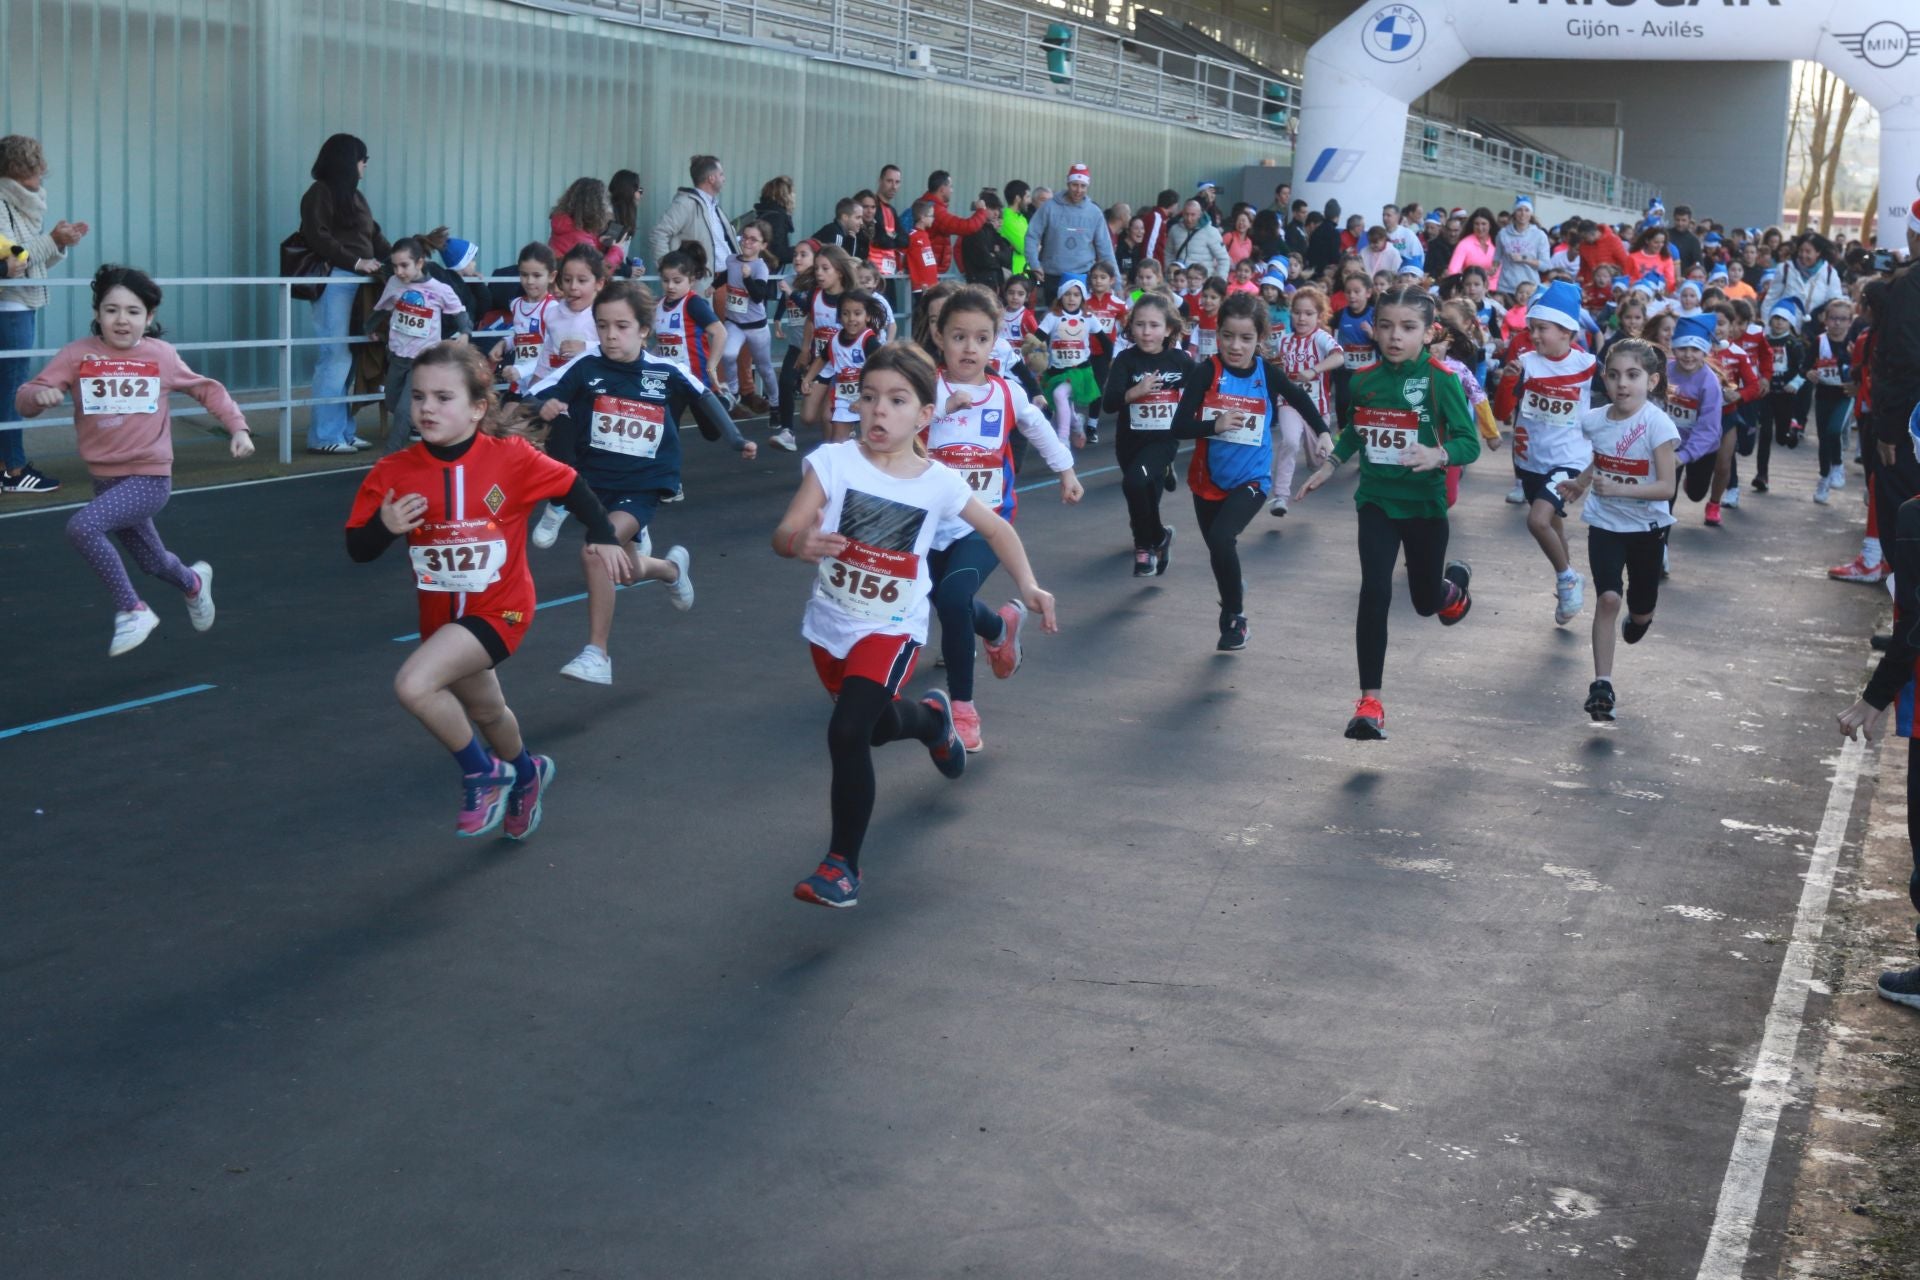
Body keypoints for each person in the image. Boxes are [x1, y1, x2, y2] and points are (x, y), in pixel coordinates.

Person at [770, 342, 1058, 908]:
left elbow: (997, 530)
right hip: (832, 623)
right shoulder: (834, 462)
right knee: (873, 728)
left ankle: (841, 867)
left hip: (892, 627)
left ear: (925, 415)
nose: (879, 411)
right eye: (869, 397)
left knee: (848, 732)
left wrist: (1028, 586)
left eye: (897, 400)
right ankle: (931, 721)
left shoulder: (938, 481)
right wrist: (798, 542)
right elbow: (785, 534)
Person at [349, 343, 630, 836]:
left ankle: (483, 773)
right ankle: (527, 773)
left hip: (502, 611)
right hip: (441, 621)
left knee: (413, 686)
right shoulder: (394, 472)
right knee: (487, 711)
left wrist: (603, 536)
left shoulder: (511, 459)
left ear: (479, 407)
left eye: (442, 397)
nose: (427, 408)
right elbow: (358, 549)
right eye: (418, 397)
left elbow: (572, 486)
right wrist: (385, 526)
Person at [17, 264, 252, 655]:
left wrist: (238, 428)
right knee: (153, 561)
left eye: (132, 311)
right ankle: (193, 583)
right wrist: (37, 398)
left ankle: (132, 609)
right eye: (111, 310)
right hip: (106, 480)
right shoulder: (77, 355)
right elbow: (28, 393)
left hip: (149, 477)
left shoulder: (161, 355)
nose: (121, 320)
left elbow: (207, 390)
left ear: (149, 317)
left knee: (82, 528)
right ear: (97, 313)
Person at [535, 282, 754, 686]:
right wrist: (545, 406)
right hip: (595, 483)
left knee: (596, 553)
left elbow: (706, 398)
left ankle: (597, 653)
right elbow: (535, 398)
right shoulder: (584, 368)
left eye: (621, 326)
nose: (610, 335)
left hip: (643, 483)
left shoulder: (664, 371)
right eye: (602, 326)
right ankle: (670, 569)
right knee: (624, 570)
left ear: (643, 330)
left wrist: (737, 439)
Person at [1296, 286, 1478, 739]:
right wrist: (1332, 464)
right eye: (1386, 326)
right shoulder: (1364, 381)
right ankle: (1369, 703)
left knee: (1422, 602)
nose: (1395, 336)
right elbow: (1357, 430)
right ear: (1373, 329)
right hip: (1376, 500)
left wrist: (1439, 455)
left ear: (1429, 332)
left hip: (1423, 505)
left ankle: (1449, 590)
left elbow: (1468, 442)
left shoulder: (1441, 380)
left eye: (1408, 328)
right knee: (1374, 591)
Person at [924, 287, 1081, 751]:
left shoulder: (1007, 393)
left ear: (996, 344)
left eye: (981, 338)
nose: (969, 348)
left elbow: (1039, 428)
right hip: (929, 524)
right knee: (945, 600)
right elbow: (890, 433)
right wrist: (933, 416)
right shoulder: (924, 388)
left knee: (953, 597)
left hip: (985, 521)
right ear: (938, 336)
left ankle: (963, 709)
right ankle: (997, 627)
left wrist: (1066, 471)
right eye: (958, 336)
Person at [1170, 292, 1329, 651]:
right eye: (1227, 336)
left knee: (1224, 539)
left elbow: (1300, 399)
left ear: (1260, 338)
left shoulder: (1266, 373)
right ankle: (1231, 588)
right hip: (1207, 479)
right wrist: (1215, 425)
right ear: (1218, 334)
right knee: (1218, 551)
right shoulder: (1206, 372)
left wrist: (1323, 433)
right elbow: (1178, 426)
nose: (1235, 346)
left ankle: (1235, 618)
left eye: (1245, 338)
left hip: (1252, 479)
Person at [1552, 339, 1679, 721]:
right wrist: (1582, 482)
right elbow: (1603, 457)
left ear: (1652, 381)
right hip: (1605, 524)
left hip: (1647, 529)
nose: (1622, 383)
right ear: (1604, 380)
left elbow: (1667, 488)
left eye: (1633, 375)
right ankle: (1601, 684)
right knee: (1608, 598)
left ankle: (1641, 618)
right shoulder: (1595, 419)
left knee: (1639, 608)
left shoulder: (1657, 424)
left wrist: (1622, 488)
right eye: (1613, 375)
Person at [0, 134, 89, 492]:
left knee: (8, 388)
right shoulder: (4, 202)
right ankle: (14, 471)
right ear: (20, 171)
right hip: (10, 307)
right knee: (11, 390)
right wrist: (50, 240)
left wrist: (58, 244)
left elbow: (30, 261)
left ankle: (10, 466)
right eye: (37, 173)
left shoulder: (20, 203)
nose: (40, 181)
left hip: (20, 303)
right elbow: (14, 260)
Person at [298, 133, 386, 455]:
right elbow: (316, 236)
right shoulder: (319, 193)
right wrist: (356, 261)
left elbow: (374, 236)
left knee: (348, 358)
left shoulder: (355, 197)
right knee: (335, 356)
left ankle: (343, 432)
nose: (364, 165)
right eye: (362, 158)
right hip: (336, 280)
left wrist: (405, 262)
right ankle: (325, 435)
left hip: (359, 282)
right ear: (349, 161)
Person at [1104, 294, 1192, 575]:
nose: (1145, 332)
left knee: (1134, 483)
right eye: (1140, 325)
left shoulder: (1180, 361)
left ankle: (1143, 548)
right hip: (1130, 441)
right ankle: (1160, 537)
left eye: (1154, 325)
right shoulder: (1125, 360)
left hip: (1163, 440)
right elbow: (1109, 403)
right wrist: (1135, 392)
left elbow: (1204, 388)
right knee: (1141, 495)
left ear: (1168, 329)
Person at [372, 238, 471, 453]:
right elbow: (382, 308)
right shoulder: (394, 284)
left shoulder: (439, 289)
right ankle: (426, 436)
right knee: (392, 402)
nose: (399, 271)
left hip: (423, 361)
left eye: (404, 265)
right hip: (398, 356)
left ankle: (390, 458)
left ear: (419, 263)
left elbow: (459, 311)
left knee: (403, 411)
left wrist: (465, 332)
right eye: (395, 266)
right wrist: (369, 328)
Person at [1272, 285, 1342, 516]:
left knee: (1318, 458)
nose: (1302, 318)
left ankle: (1317, 462)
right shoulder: (1284, 341)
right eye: (1297, 312)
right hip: (1289, 402)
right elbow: (1273, 363)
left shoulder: (1321, 338)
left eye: (1309, 313)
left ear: (1319, 316)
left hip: (1316, 406)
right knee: (1290, 442)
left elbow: (1339, 357)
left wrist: (1314, 370)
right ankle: (1280, 497)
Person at [1024, 164, 1117, 296]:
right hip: (1052, 275)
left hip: (1083, 276)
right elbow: (1032, 236)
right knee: (1054, 314)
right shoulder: (1049, 207)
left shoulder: (1094, 213)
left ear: (1087, 186)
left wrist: (1116, 283)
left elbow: (1106, 249)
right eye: (1074, 185)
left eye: (1083, 186)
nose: (1078, 190)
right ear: (1068, 183)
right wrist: (1034, 264)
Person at [720, 221, 782, 416]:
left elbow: (757, 296)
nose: (746, 242)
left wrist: (747, 279)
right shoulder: (731, 260)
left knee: (764, 368)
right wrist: (713, 286)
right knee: (728, 355)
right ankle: (733, 392)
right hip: (734, 322)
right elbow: (725, 275)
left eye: (753, 239)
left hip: (756, 327)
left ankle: (775, 404)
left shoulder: (760, 267)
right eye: (744, 237)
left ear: (763, 245)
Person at [649, 155, 738, 283]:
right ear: (711, 178)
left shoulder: (713, 206)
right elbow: (659, 234)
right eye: (721, 174)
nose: (724, 179)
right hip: (706, 281)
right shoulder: (686, 203)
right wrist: (669, 269)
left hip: (726, 279)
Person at [651, 247, 727, 390]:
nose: (670, 286)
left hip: (697, 378)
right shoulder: (659, 305)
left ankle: (725, 399)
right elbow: (663, 343)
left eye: (677, 281)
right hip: (671, 378)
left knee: (706, 412)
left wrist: (711, 366)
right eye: (665, 281)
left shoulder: (693, 303)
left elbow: (720, 333)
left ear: (691, 281)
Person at [915, 169, 988, 276]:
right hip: (927, 271)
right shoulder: (936, 210)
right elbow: (966, 227)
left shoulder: (926, 203)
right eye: (951, 186)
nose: (952, 190)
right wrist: (981, 211)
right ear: (942, 189)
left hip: (927, 267)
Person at [548, 177, 630, 273]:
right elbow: (598, 272)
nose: (607, 206)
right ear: (596, 206)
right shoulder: (578, 235)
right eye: (605, 201)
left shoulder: (564, 224)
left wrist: (598, 242)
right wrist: (617, 249)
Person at [1496, 196, 1552, 293]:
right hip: (1506, 287)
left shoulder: (1539, 235)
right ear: (1514, 213)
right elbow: (1496, 258)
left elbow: (1545, 266)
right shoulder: (1503, 233)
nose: (1523, 214)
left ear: (1531, 213)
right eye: (1519, 210)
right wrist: (1492, 269)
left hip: (1529, 289)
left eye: (1527, 210)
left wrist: (1524, 259)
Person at [1166, 199, 1230, 281]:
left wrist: (1218, 283)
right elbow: (1168, 254)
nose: (1189, 218)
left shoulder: (1211, 232)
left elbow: (1223, 259)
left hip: (1202, 284)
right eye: (1186, 214)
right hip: (1179, 283)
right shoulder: (1174, 230)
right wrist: (1170, 274)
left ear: (1200, 214)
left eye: (1193, 215)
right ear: (1182, 213)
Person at [752, 176, 798, 267]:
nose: (794, 196)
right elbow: (778, 252)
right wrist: (800, 252)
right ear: (786, 196)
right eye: (792, 193)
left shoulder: (762, 213)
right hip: (769, 273)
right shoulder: (777, 218)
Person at [999, 180, 1033, 277]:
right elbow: (1026, 248)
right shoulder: (1006, 218)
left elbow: (1033, 243)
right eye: (1027, 197)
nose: (1030, 201)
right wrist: (1034, 245)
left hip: (1025, 274)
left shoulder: (1021, 218)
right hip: (1014, 276)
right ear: (1018, 198)